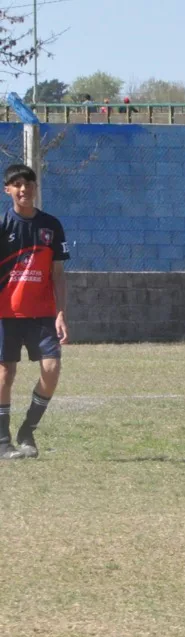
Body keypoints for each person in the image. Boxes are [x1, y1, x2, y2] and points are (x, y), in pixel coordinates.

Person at [0, 164, 70, 461]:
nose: (24, 189)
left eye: (28, 183)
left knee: (51, 370)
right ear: (8, 190)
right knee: (5, 375)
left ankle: (27, 430)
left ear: (35, 187)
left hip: (42, 313)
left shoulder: (51, 226)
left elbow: (58, 274)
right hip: (6, 313)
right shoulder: (3, 224)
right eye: (17, 184)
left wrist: (61, 312)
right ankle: (3, 441)